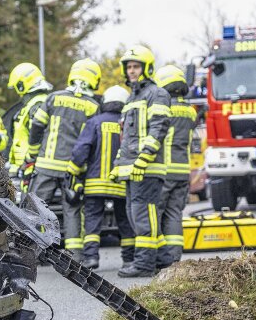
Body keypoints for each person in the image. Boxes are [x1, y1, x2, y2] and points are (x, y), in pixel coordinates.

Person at [25, 58, 102, 260]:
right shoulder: (93, 106)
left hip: (46, 166)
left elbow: (36, 126)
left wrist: (32, 153)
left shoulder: (53, 98)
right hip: (73, 169)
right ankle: (74, 256)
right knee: (73, 211)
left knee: (36, 208)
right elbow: (93, 140)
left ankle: (31, 253)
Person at [111, 45, 171, 278]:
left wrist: (143, 160)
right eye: (129, 67)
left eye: (136, 67)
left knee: (143, 215)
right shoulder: (131, 97)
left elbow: (159, 128)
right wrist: (118, 164)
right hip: (131, 168)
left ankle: (145, 264)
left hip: (147, 167)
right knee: (135, 213)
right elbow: (126, 138)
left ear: (146, 68)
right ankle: (163, 259)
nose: (132, 71)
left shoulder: (157, 94)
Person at [70, 84, 133, 270]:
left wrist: (73, 171)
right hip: (121, 183)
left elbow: (81, 149)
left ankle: (91, 258)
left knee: (92, 220)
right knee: (125, 220)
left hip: (95, 183)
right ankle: (129, 259)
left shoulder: (95, 122)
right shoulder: (128, 123)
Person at [153, 64, 196, 270]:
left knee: (156, 213)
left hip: (165, 169)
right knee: (174, 213)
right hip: (182, 171)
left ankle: (159, 258)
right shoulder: (190, 111)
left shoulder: (165, 108)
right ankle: (174, 258)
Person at [5, 62, 53, 184]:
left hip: (30, 170)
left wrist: (28, 164)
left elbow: (39, 139)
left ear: (22, 85)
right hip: (24, 170)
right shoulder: (38, 104)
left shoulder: (37, 106)